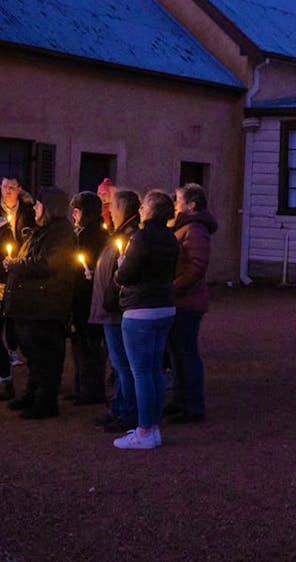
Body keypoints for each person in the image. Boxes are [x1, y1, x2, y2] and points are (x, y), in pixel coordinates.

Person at [2, 186, 76, 419]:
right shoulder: (42, 231)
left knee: (46, 357)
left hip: (46, 307)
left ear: (50, 207)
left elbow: (47, 264)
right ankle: (32, 395)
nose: (34, 208)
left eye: (38, 204)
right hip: (33, 306)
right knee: (34, 356)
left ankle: (45, 402)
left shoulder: (61, 233)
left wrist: (15, 264)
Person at [113, 190, 178, 450]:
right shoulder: (171, 238)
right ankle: (153, 426)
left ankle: (145, 430)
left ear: (151, 210)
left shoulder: (142, 237)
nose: (139, 210)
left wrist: (120, 267)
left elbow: (126, 275)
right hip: (164, 306)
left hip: (140, 309)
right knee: (154, 370)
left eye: (143, 206)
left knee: (141, 372)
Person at [165, 183, 217, 424]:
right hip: (181, 299)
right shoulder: (185, 228)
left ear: (192, 205)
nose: (175, 205)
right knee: (177, 353)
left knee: (186, 353)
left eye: (179, 201)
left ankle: (193, 405)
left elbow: (197, 266)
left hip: (186, 301)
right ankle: (180, 400)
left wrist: (173, 287)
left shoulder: (194, 229)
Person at [89, 189, 140, 433]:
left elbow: (124, 273)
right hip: (110, 308)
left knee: (123, 364)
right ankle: (119, 408)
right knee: (119, 364)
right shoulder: (120, 233)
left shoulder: (130, 236)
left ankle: (128, 412)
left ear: (124, 209)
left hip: (116, 310)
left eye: (114, 207)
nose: (109, 210)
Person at [70, 191, 108, 405]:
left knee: (88, 345)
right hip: (84, 297)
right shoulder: (90, 232)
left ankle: (90, 390)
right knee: (83, 344)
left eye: (75, 211)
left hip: (87, 298)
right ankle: (82, 387)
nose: (73, 216)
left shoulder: (90, 235)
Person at [0, 175, 35, 400]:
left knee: (18, 325)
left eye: (12, 187)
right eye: (4, 187)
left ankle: (12, 376)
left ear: (19, 189)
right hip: (1, 274)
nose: (8, 191)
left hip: (19, 277)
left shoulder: (29, 212)